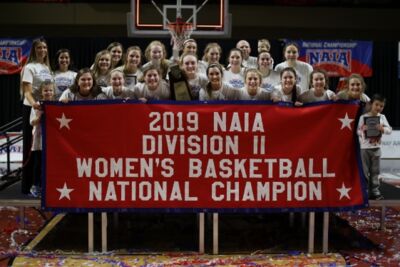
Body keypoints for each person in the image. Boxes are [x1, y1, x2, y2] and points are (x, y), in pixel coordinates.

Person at [20, 37, 53, 194]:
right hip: (32, 108)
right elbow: (27, 91)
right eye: (39, 47)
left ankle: (41, 184)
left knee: (43, 149)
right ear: (34, 50)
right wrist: (34, 103)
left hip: (45, 107)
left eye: (44, 47)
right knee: (31, 149)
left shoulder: (47, 68)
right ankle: (27, 185)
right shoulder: (30, 67)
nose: (42, 50)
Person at [357, 94, 392, 200]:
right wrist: (363, 129)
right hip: (364, 148)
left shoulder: (382, 117)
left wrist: (383, 129)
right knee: (364, 171)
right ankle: (364, 191)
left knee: (375, 171)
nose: (379, 108)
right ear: (371, 104)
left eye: (381, 106)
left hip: (376, 148)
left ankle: (375, 191)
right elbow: (357, 131)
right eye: (377, 105)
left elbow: (389, 130)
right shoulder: (363, 117)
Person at [29, 80, 55, 197]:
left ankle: (48, 186)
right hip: (39, 141)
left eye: (50, 90)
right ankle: (35, 186)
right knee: (38, 164)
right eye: (45, 90)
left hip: (52, 141)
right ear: (41, 92)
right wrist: (39, 116)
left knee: (49, 165)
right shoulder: (36, 105)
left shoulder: (56, 105)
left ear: (53, 92)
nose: (48, 92)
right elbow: (32, 123)